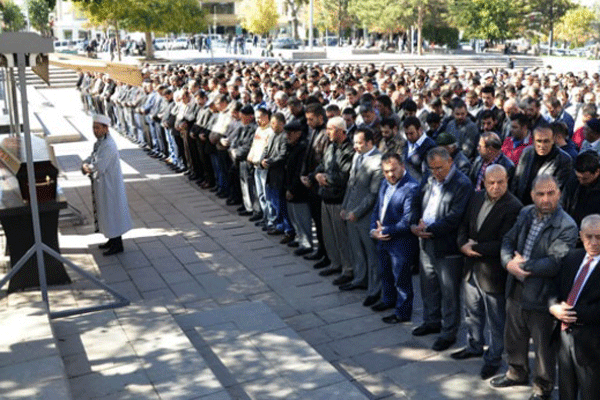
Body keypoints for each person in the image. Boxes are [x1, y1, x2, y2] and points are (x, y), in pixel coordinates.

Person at [492, 175, 578, 400]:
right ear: (532, 195)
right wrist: (508, 263)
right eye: (540, 194)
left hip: (543, 294)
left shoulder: (566, 225)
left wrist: (522, 266)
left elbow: (555, 261)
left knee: (542, 347)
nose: (546, 199)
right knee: (514, 336)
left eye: (551, 193)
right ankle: (516, 372)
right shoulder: (525, 213)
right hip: (516, 287)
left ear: (559, 194)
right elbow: (507, 241)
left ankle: (542, 387)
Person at [453, 165, 522, 380]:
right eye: (491, 182)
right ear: (483, 181)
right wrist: (462, 244)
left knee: (496, 320)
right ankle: (473, 345)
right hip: (471, 270)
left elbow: (504, 242)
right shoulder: (476, 198)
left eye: (500, 182)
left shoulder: (513, 206)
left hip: (492, 274)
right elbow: (464, 225)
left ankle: (493, 358)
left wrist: (473, 249)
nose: (495, 186)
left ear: (507, 181)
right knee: (472, 312)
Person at [410, 147, 473, 351]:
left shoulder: (462, 184)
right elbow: (416, 201)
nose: (436, 172)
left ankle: (449, 332)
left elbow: (455, 217)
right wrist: (414, 224)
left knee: (449, 292)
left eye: (439, 168)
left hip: (447, 246)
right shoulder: (429, 179)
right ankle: (431, 321)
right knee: (428, 284)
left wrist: (430, 229)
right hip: (425, 240)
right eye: (432, 168)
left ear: (450, 163)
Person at [549, 214, 600, 400]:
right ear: (581, 236)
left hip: (591, 344)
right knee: (566, 391)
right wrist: (553, 307)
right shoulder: (572, 257)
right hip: (564, 338)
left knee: (590, 393)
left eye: (599, 237)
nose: (594, 242)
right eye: (589, 236)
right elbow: (554, 288)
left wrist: (571, 313)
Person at [370, 152, 419, 320]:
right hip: (382, 239)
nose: (390, 174)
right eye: (386, 171)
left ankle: (403, 313)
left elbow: (407, 221)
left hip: (401, 243)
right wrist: (373, 230)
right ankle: (388, 300)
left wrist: (384, 231)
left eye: (393, 170)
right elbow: (377, 208)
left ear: (402, 166)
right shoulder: (384, 183)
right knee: (385, 273)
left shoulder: (411, 188)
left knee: (402, 280)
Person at [309, 117, 354, 283]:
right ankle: (335, 263)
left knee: (342, 237)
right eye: (327, 128)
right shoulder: (331, 146)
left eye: (331, 129)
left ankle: (348, 268)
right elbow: (322, 164)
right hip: (325, 196)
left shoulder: (349, 150)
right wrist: (315, 175)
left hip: (338, 198)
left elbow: (344, 176)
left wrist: (325, 178)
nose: (327, 132)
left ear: (342, 131)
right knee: (329, 236)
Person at [340, 128, 383, 296]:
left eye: (359, 143)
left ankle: (375, 288)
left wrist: (357, 212)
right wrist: (345, 207)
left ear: (370, 143)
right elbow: (351, 184)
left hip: (366, 215)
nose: (355, 146)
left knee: (371, 253)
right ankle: (360, 279)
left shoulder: (378, 161)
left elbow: (373, 194)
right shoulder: (357, 156)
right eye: (354, 143)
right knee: (356, 249)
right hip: (351, 211)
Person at [82, 114, 133, 256]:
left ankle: (117, 244)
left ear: (105, 128)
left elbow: (100, 165)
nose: (95, 130)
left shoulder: (109, 145)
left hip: (110, 185)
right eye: (93, 127)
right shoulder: (100, 142)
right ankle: (111, 239)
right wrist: (85, 162)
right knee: (106, 212)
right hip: (103, 184)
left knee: (112, 213)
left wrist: (88, 168)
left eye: (97, 128)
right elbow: (93, 156)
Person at [511, 126, 573, 205]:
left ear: (553, 140)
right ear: (533, 141)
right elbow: (516, 179)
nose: (542, 145)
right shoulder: (527, 152)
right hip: (521, 203)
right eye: (539, 141)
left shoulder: (564, 159)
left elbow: (559, 189)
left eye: (546, 141)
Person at [562, 150, 600, 228]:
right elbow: (564, 203)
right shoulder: (573, 182)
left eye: (585, 179)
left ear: (597, 172)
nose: (581, 181)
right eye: (579, 177)